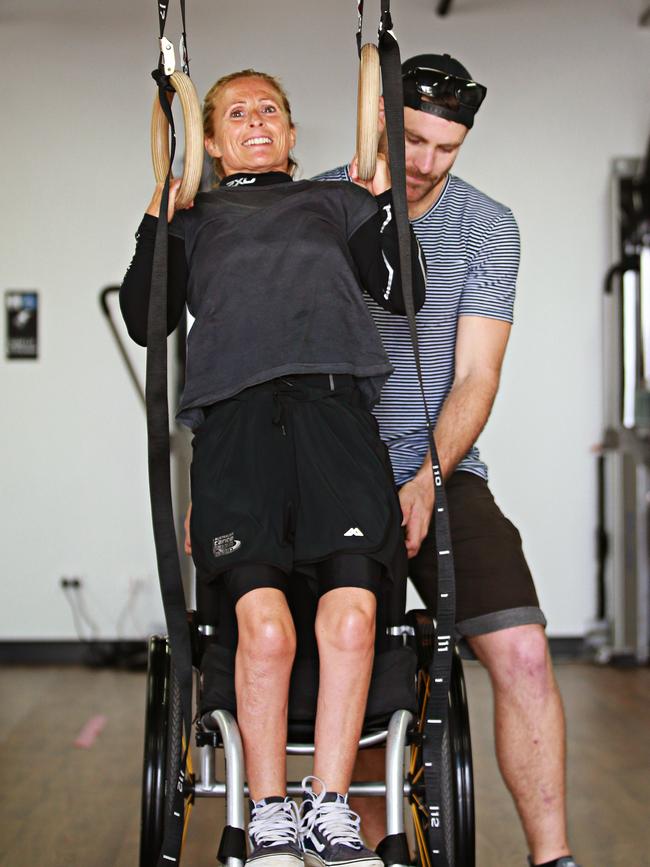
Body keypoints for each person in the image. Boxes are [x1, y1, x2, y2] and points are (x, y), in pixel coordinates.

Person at [120, 69, 425, 867]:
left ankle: (329, 808)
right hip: (236, 431)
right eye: (235, 113)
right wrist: (165, 193)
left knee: (353, 618)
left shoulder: (339, 203)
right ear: (212, 143)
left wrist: (387, 198)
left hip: (336, 421)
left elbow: (404, 290)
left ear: (292, 135)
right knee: (262, 627)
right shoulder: (194, 220)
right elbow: (143, 320)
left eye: (270, 110)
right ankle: (268, 820)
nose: (255, 121)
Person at [316, 54, 581, 867]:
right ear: (379, 121)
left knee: (525, 649)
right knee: (351, 661)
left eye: (446, 147)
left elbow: (477, 374)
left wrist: (427, 477)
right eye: (412, 140)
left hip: (443, 466)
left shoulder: (486, 224)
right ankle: (353, 846)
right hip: (331, 476)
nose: (425, 163)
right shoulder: (318, 207)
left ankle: (552, 856)